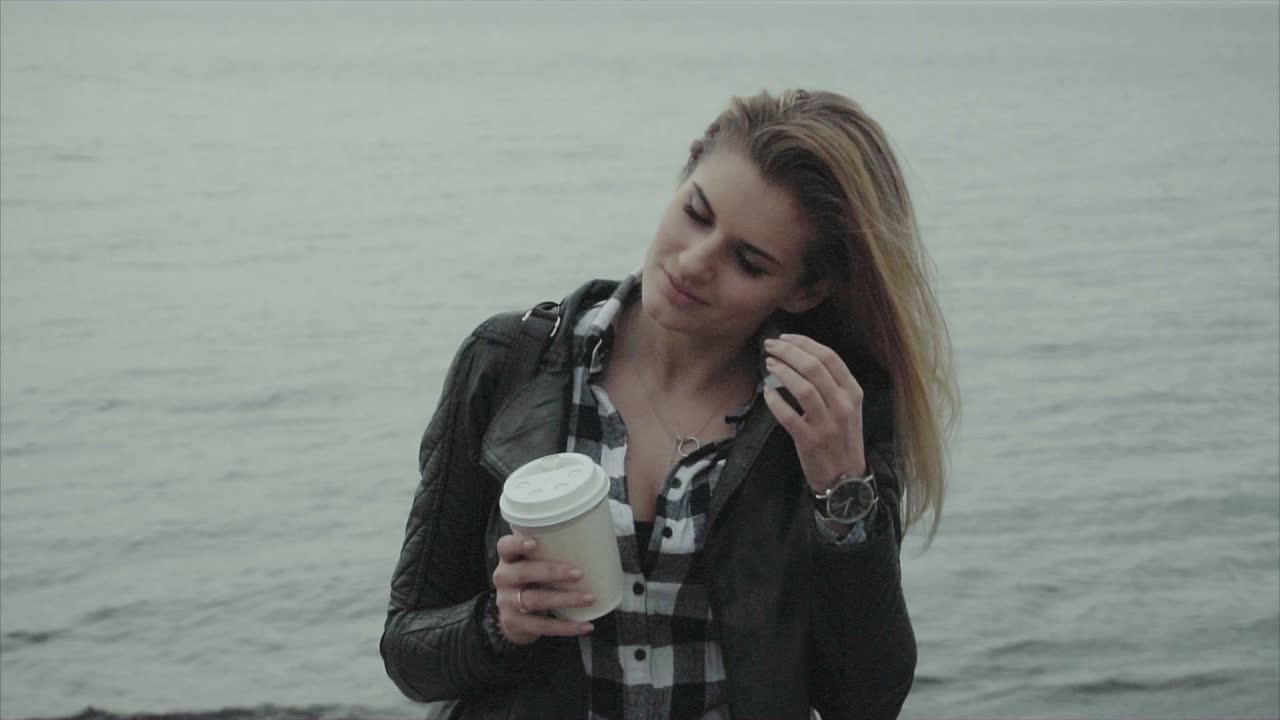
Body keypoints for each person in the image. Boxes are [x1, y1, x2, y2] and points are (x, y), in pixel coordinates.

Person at [380, 89, 959, 720]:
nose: (693, 262)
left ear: (806, 289)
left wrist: (843, 495)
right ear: (681, 180)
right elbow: (410, 651)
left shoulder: (831, 413)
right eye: (698, 213)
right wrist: (500, 621)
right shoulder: (507, 364)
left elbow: (865, 699)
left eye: (749, 261)